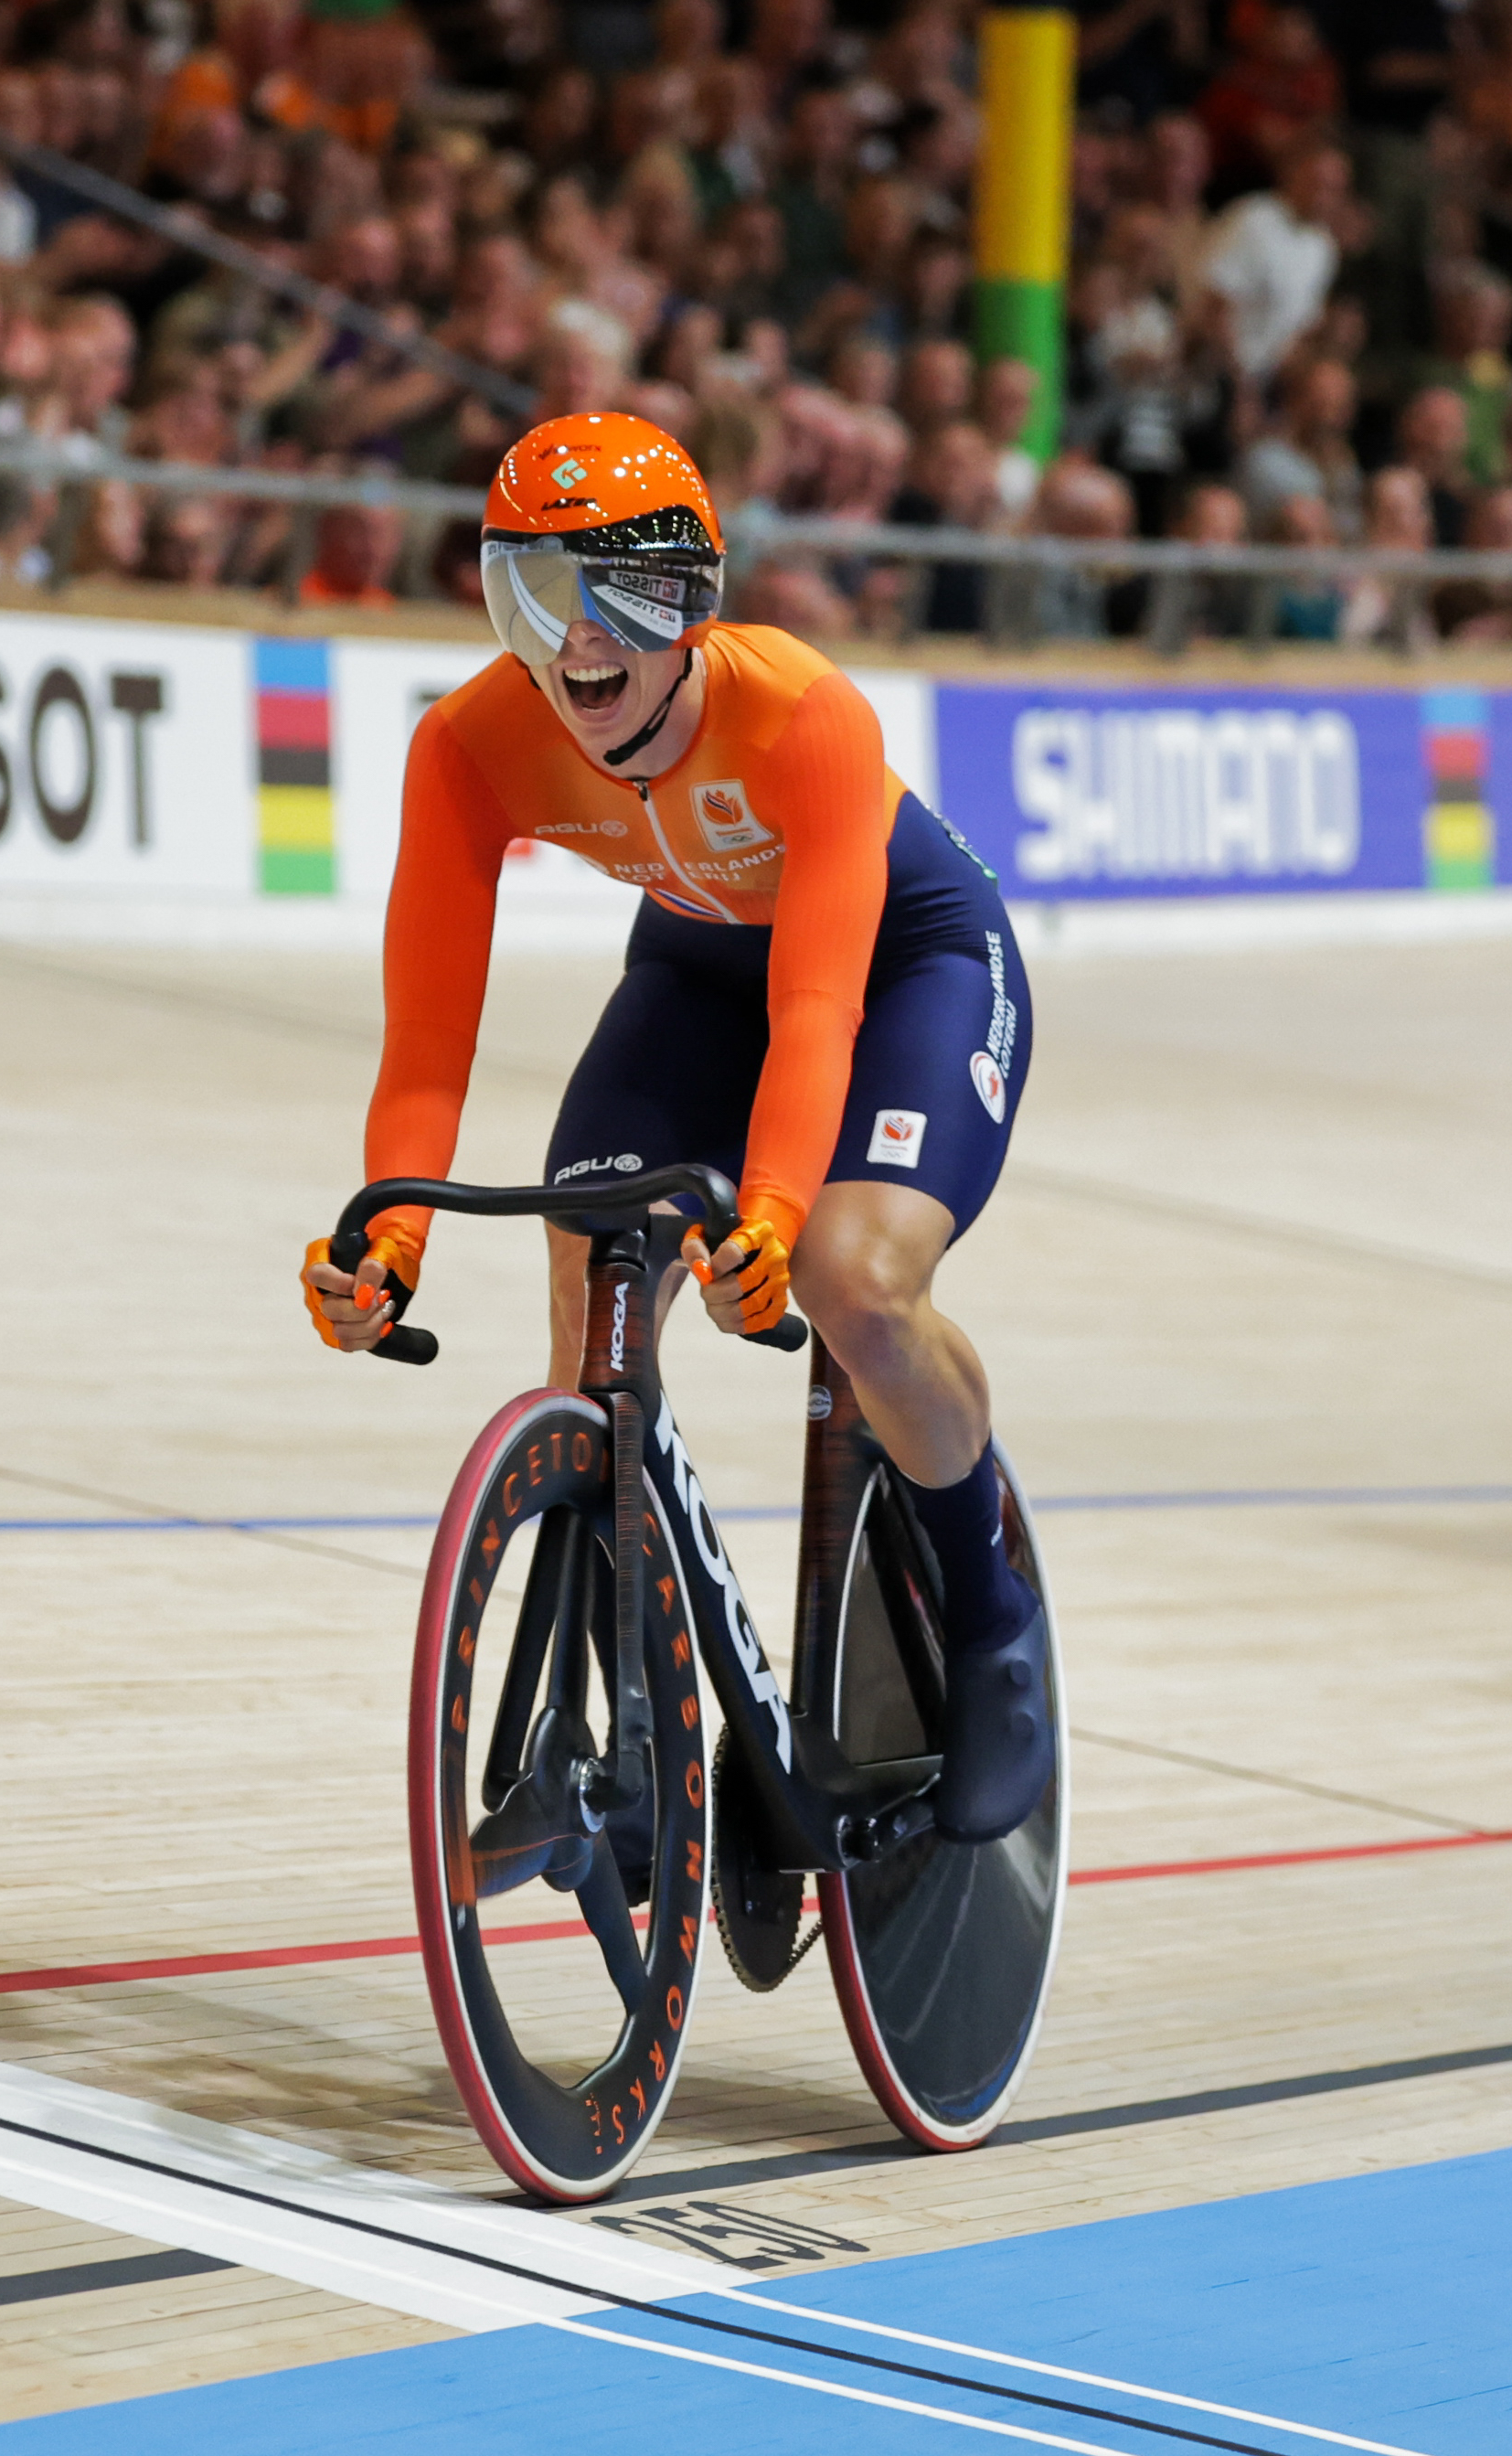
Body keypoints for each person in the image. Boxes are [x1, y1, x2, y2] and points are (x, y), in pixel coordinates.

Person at [300, 414, 1053, 1841]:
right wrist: (389, 1231)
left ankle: (992, 1619)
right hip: (701, 970)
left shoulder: (804, 712)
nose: (569, 647)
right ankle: (635, 1725)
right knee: (595, 1302)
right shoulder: (470, 746)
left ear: (686, 599)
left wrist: (768, 1214)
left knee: (850, 1280)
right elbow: (425, 1034)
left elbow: (820, 1009)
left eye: (605, 599)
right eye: (523, 594)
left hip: (909, 966)